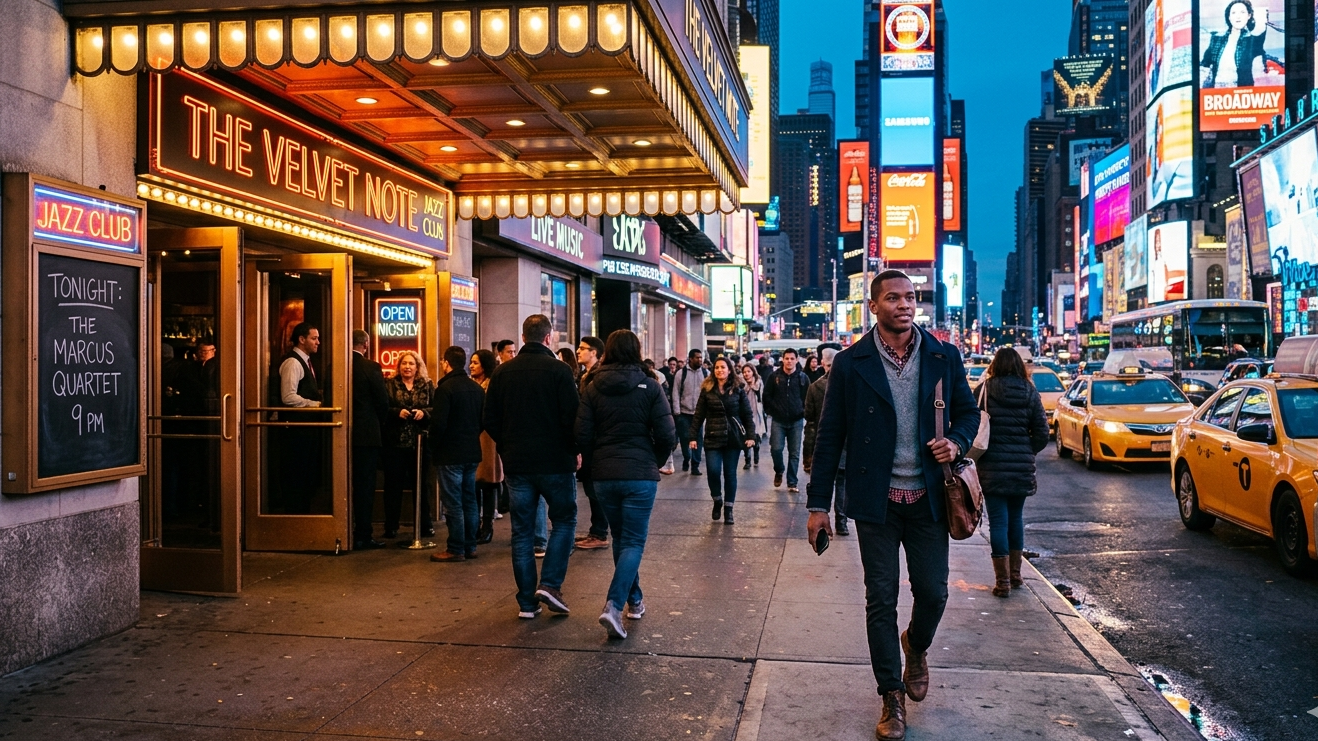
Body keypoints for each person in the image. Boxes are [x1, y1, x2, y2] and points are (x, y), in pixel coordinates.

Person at [806, 270, 980, 741]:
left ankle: (916, 646)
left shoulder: (944, 355)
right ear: (874, 306)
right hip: (874, 502)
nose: (905, 304)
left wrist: (957, 442)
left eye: (910, 297)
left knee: (934, 593)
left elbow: (968, 413)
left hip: (928, 499)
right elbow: (830, 437)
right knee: (880, 598)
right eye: (893, 298)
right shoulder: (850, 362)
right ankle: (890, 697)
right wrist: (818, 503)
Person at [575, 330, 676, 639]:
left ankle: (635, 600)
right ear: (636, 350)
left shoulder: (592, 387)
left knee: (621, 539)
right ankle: (614, 605)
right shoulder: (651, 386)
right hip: (639, 474)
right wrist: (654, 459)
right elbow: (668, 434)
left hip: (605, 475)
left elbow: (582, 435)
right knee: (632, 541)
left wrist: (595, 463)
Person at [483, 314, 581, 619]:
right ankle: (550, 584)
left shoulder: (503, 374)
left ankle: (527, 602)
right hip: (555, 462)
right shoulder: (560, 371)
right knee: (564, 521)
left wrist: (508, 445)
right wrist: (574, 450)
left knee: (522, 531)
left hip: (518, 464)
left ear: (523, 338)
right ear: (549, 338)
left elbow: (489, 420)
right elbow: (572, 418)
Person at [976, 348, 1049, 597]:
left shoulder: (985, 390)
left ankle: (1002, 581)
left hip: (991, 466)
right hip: (1020, 468)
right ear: (1020, 366)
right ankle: (1016, 576)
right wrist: (1027, 450)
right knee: (1016, 519)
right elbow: (1042, 432)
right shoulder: (1030, 391)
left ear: (995, 365)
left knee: (998, 521)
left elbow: (970, 422)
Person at [428, 346, 486, 562]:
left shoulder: (445, 389)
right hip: (471, 451)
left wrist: (432, 445)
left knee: (453, 503)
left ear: (446, 363)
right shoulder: (476, 389)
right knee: (469, 500)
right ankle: (470, 546)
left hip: (450, 453)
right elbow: (483, 421)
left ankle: (455, 548)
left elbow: (439, 424)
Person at [690, 357, 756, 524]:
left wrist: (750, 436)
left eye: (723, 367)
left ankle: (728, 508)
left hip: (733, 437)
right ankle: (717, 499)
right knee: (712, 470)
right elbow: (699, 414)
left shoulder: (738, 389)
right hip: (713, 435)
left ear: (729, 370)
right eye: (717, 367)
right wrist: (692, 436)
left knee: (730, 473)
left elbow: (747, 414)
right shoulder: (707, 389)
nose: (720, 370)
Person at [382, 350, 434, 539]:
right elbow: (383, 408)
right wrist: (397, 412)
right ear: (399, 366)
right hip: (395, 443)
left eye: (411, 364)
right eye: (404, 363)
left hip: (420, 443)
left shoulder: (427, 385)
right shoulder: (390, 384)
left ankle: (424, 524)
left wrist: (424, 413)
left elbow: (436, 408)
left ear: (417, 366)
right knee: (393, 486)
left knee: (421, 485)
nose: (407, 367)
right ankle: (391, 525)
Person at [276, 322, 323, 513]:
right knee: (297, 476)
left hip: (306, 429)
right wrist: (315, 404)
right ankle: (295, 517)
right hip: (296, 431)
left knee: (307, 476)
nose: (318, 342)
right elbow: (288, 397)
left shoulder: (305, 361)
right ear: (301, 339)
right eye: (314, 338)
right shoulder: (293, 362)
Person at [803, 344, 848, 536]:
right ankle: (842, 520)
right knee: (842, 481)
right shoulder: (850, 384)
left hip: (823, 441)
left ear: (823, 363)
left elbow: (809, 416)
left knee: (825, 478)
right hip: (845, 441)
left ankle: (823, 511)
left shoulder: (814, 387)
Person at [350, 330, 390, 550]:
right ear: (365, 344)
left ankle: (343, 528)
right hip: (366, 435)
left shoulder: (334, 365)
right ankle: (362, 533)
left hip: (339, 434)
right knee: (365, 486)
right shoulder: (371, 367)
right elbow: (382, 402)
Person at [574, 336, 611, 551]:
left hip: (595, 440)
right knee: (590, 487)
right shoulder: (585, 375)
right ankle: (596, 530)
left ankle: (599, 532)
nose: (579, 351)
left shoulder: (596, 376)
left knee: (594, 488)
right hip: (589, 438)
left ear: (594, 352)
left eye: (583, 348)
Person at [763, 347, 810, 493]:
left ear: (796, 360)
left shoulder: (803, 378)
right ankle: (779, 470)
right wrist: (771, 411)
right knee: (776, 449)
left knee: (794, 452)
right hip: (778, 420)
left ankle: (792, 482)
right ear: (782, 359)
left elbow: (808, 399)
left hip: (796, 420)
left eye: (792, 358)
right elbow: (766, 396)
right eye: (787, 358)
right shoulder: (774, 376)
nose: (789, 361)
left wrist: (802, 412)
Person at [469, 349, 502, 544]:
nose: (471, 366)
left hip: (489, 439)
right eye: (471, 362)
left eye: (475, 362)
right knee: (473, 484)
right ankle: (475, 525)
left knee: (488, 484)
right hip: (473, 436)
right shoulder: (470, 384)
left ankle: (487, 526)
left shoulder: (492, 384)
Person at [1200, 1, 1270, 89]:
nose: (1238, 16)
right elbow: (1205, 64)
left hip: (1241, 91)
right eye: (1233, 13)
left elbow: (1260, 29)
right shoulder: (1216, 38)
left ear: (1249, 16)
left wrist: (1260, 14)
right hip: (1216, 90)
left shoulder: (1251, 40)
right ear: (1229, 17)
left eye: (1242, 12)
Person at [670, 349, 709, 475]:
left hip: (699, 413)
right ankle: (687, 457)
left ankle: (695, 465)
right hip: (683, 412)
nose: (700, 360)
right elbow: (675, 392)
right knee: (685, 438)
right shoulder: (681, 374)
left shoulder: (705, 373)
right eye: (697, 357)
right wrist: (677, 411)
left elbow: (709, 392)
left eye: (701, 357)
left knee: (698, 439)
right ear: (690, 359)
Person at [739, 364, 766, 470]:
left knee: (756, 435)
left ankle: (756, 451)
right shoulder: (741, 385)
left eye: (748, 371)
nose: (746, 374)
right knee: (745, 436)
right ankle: (747, 460)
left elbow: (762, 397)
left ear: (753, 372)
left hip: (756, 412)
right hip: (745, 414)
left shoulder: (759, 383)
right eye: (744, 372)